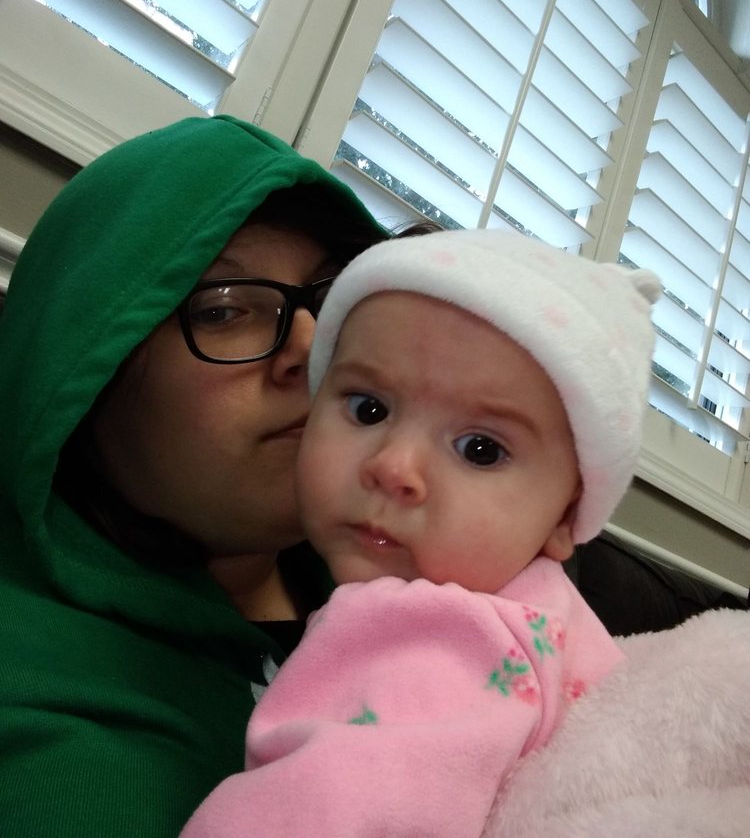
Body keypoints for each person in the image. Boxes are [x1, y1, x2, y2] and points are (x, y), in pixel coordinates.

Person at [181, 227, 662, 838]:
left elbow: (326, 811)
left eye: (480, 449)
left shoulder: (433, 635)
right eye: (369, 409)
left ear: (565, 520)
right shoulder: (544, 617)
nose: (394, 468)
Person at [0, 114, 389, 838]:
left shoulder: (426, 583)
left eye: (330, 301)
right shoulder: (50, 738)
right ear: (84, 376)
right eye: (225, 310)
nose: (312, 350)